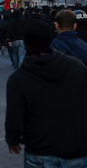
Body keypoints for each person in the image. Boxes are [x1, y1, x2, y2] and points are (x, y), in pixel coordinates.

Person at [5, 20, 87, 167]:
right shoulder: (76, 66)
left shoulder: (18, 78)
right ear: (51, 39)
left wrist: (12, 139)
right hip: (77, 150)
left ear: (26, 43)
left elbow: (14, 116)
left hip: (40, 151)